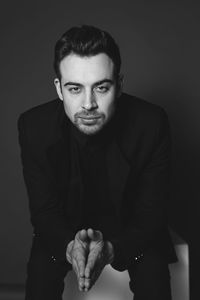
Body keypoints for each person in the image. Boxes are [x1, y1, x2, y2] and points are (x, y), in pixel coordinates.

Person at [18, 25, 177, 300]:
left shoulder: (151, 123)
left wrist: (114, 249)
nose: (88, 103)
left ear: (119, 85)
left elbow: (151, 214)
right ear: (59, 89)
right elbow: (44, 212)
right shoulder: (34, 127)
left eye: (101, 87)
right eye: (75, 88)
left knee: (154, 273)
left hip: (132, 228)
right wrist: (69, 246)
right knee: (41, 273)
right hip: (64, 228)